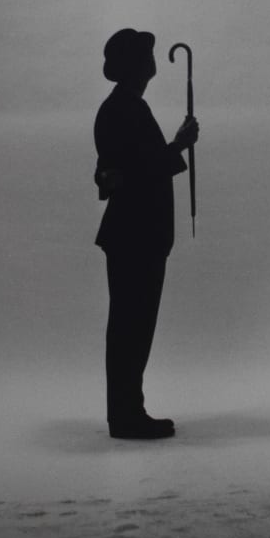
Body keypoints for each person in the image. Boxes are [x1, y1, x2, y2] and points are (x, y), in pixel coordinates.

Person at [93, 28, 198, 439]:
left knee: (131, 325)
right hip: (136, 234)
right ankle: (125, 416)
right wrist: (179, 145)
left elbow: (110, 170)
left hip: (134, 234)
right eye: (147, 55)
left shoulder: (122, 106)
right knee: (131, 326)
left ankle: (128, 411)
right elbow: (137, 169)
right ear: (139, 65)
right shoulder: (125, 108)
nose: (153, 61)